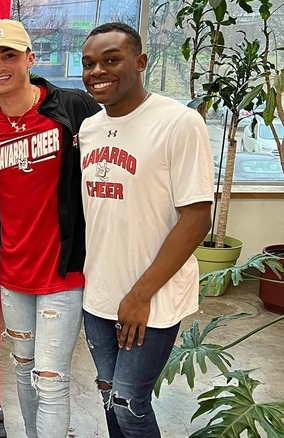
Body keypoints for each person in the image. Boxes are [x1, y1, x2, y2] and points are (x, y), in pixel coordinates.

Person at [79, 23, 213, 437]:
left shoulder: (179, 122)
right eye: (89, 63)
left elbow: (196, 218)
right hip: (99, 293)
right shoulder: (89, 129)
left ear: (140, 63)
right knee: (108, 396)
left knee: (129, 403)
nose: (97, 71)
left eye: (111, 59)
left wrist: (140, 296)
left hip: (149, 297)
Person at [0, 19, 101, 438]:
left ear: (30, 58)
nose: (0, 66)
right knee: (23, 370)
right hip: (12, 275)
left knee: (51, 379)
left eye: (9, 55)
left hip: (62, 273)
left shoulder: (73, 108)